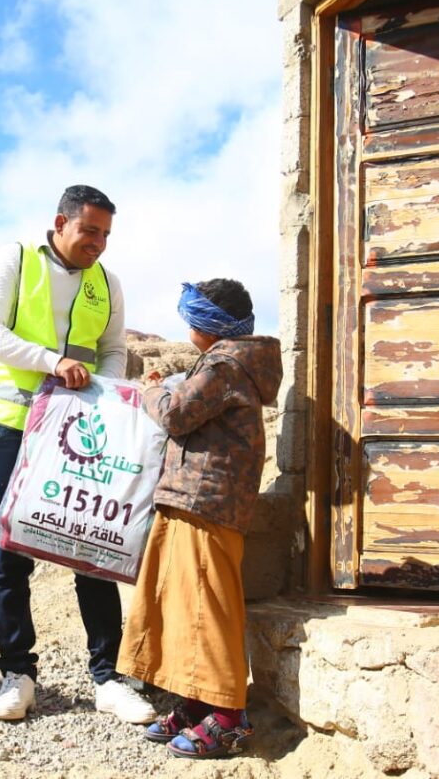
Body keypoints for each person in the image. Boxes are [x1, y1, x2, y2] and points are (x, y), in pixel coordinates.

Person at [0, 184, 156, 725]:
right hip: (10, 426)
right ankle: (17, 676)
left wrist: (104, 393)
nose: (98, 244)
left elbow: (114, 349)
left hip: (79, 432)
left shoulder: (107, 283)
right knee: (7, 553)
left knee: (92, 547)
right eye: (89, 231)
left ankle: (108, 677)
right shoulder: (17, 259)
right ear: (60, 222)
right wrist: (51, 362)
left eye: (105, 235)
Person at [116, 278, 282, 758]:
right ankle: (195, 701)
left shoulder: (225, 364)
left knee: (208, 607)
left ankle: (229, 717)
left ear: (208, 324)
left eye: (193, 316)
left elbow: (177, 414)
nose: (187, 323)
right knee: (184, 603)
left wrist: (151, 392)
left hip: (207, 501)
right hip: (193, 498)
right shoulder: (228, 364)